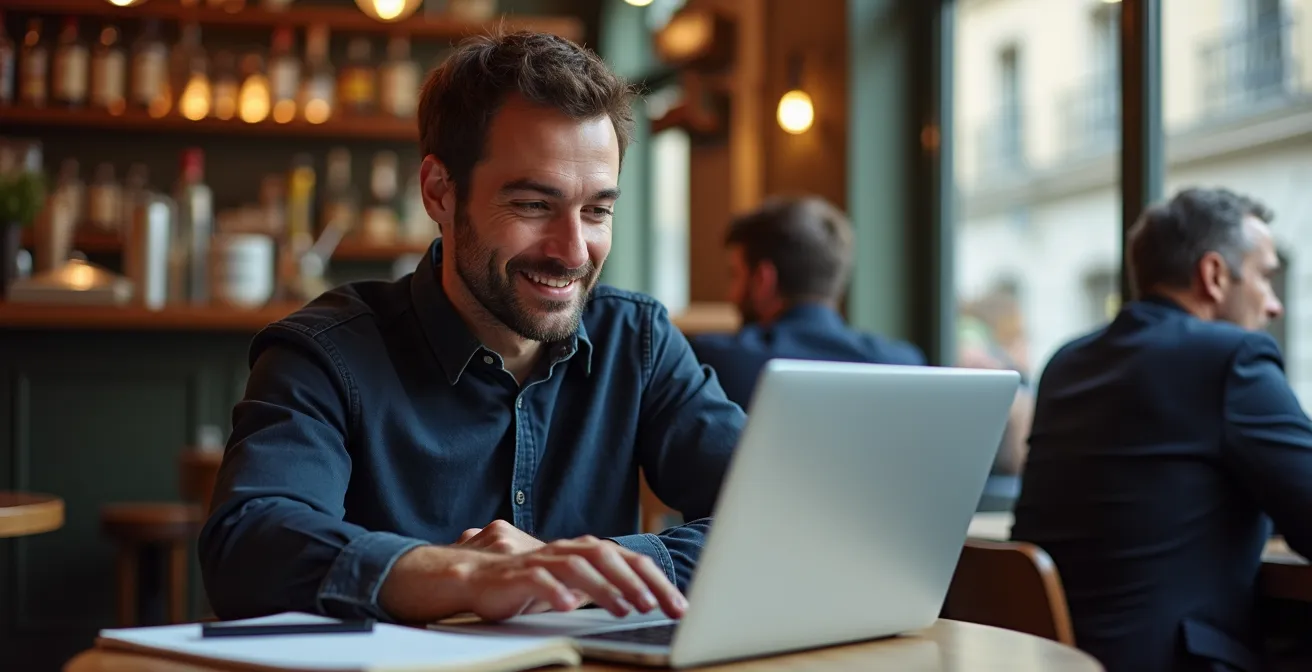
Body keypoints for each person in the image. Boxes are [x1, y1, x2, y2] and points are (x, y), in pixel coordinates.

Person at [198, 31, 746, 625]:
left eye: (597, 211)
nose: (572, 252)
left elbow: (778, 518)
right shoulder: (325, 354)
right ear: (439, 192)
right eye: (534, 205)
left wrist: (594, 570)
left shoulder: (636, 341)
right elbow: (248, 545)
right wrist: (461, 575)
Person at [1010, 187, 1312, 672]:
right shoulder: (1232, 358)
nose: (1273, 304)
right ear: (1213, 275)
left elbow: (1154, 495)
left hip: (1055, 661)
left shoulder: (1067, 363)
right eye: (1264, 276)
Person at [688, 195, 925, 408]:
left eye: (735, 276)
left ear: (763, 279)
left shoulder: (710, 362)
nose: (730, 295)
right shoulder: (903, 365)